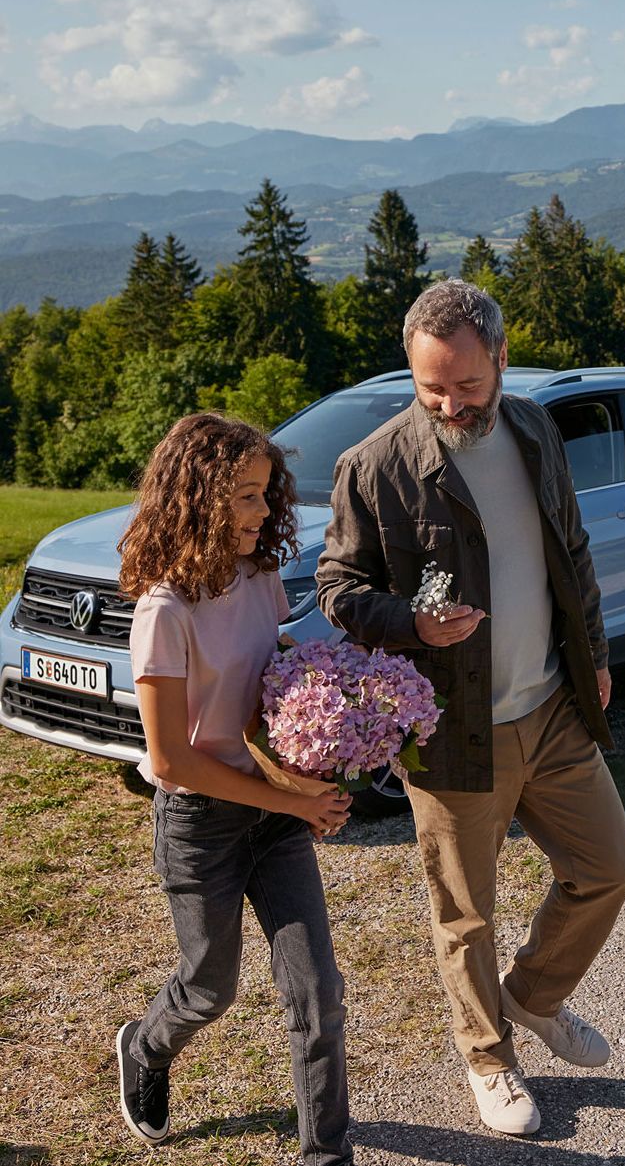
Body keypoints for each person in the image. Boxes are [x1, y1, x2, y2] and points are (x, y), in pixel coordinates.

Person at [316, 280, 625, 1136]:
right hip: (452, 729)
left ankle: (532, 995)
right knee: (466, 912)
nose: (451, 404)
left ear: (499, 355)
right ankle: (487, 1059)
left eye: (466, 384)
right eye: (431, 389)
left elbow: (572, 548)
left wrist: (594, 654)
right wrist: (412, 622)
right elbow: (337, 589)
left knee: (608, 864)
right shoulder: (375, 465)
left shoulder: (533, 427)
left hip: (553, 704)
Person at [116, 412, 353, 1164]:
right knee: (209, 988)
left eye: (265, 494)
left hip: (273, 817)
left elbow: (269, 681)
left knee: (318, 997)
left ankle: (328, 1155)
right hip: (201, 821)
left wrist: (331, 732)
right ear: (197, 497)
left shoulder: (259, 577)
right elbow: (174, 759)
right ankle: (147, 1047)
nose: (263, 512)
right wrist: (296, 800)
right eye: (246, 496)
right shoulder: (163, 611)